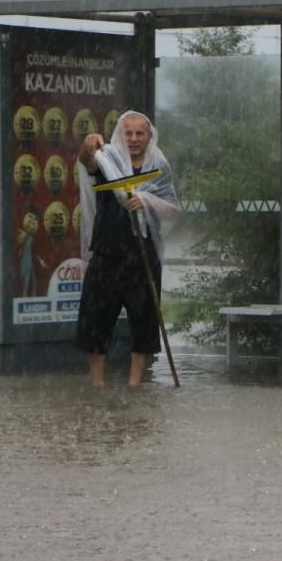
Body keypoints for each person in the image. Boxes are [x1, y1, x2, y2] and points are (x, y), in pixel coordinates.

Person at [74, 111, 180, 387]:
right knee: (95, 321)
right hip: (106, 252)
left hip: (142, 256)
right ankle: (97, 385)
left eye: (139, 133)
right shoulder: (107, 158)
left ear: (149, 136)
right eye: (128, 133)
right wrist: (88, 143)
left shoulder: (159, 165)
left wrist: (146, 201)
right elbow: (86, 161)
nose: (133, 139)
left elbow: (172, 208)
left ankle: (135, 386)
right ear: (120, 134)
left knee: (144, 322)